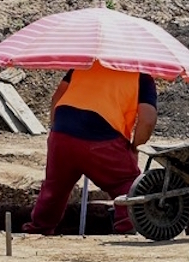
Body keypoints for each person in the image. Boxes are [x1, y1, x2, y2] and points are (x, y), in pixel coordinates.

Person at [23, 65, 158, 235]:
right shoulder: (141, 76)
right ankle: (127, 228)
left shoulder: (83, 66)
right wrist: (134, 147)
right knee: (126, 184)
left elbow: (57, 99)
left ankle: (39, 228)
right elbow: (148, 119)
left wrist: (57, 130)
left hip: (62, 134)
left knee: (55, 188)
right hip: (103, 137)